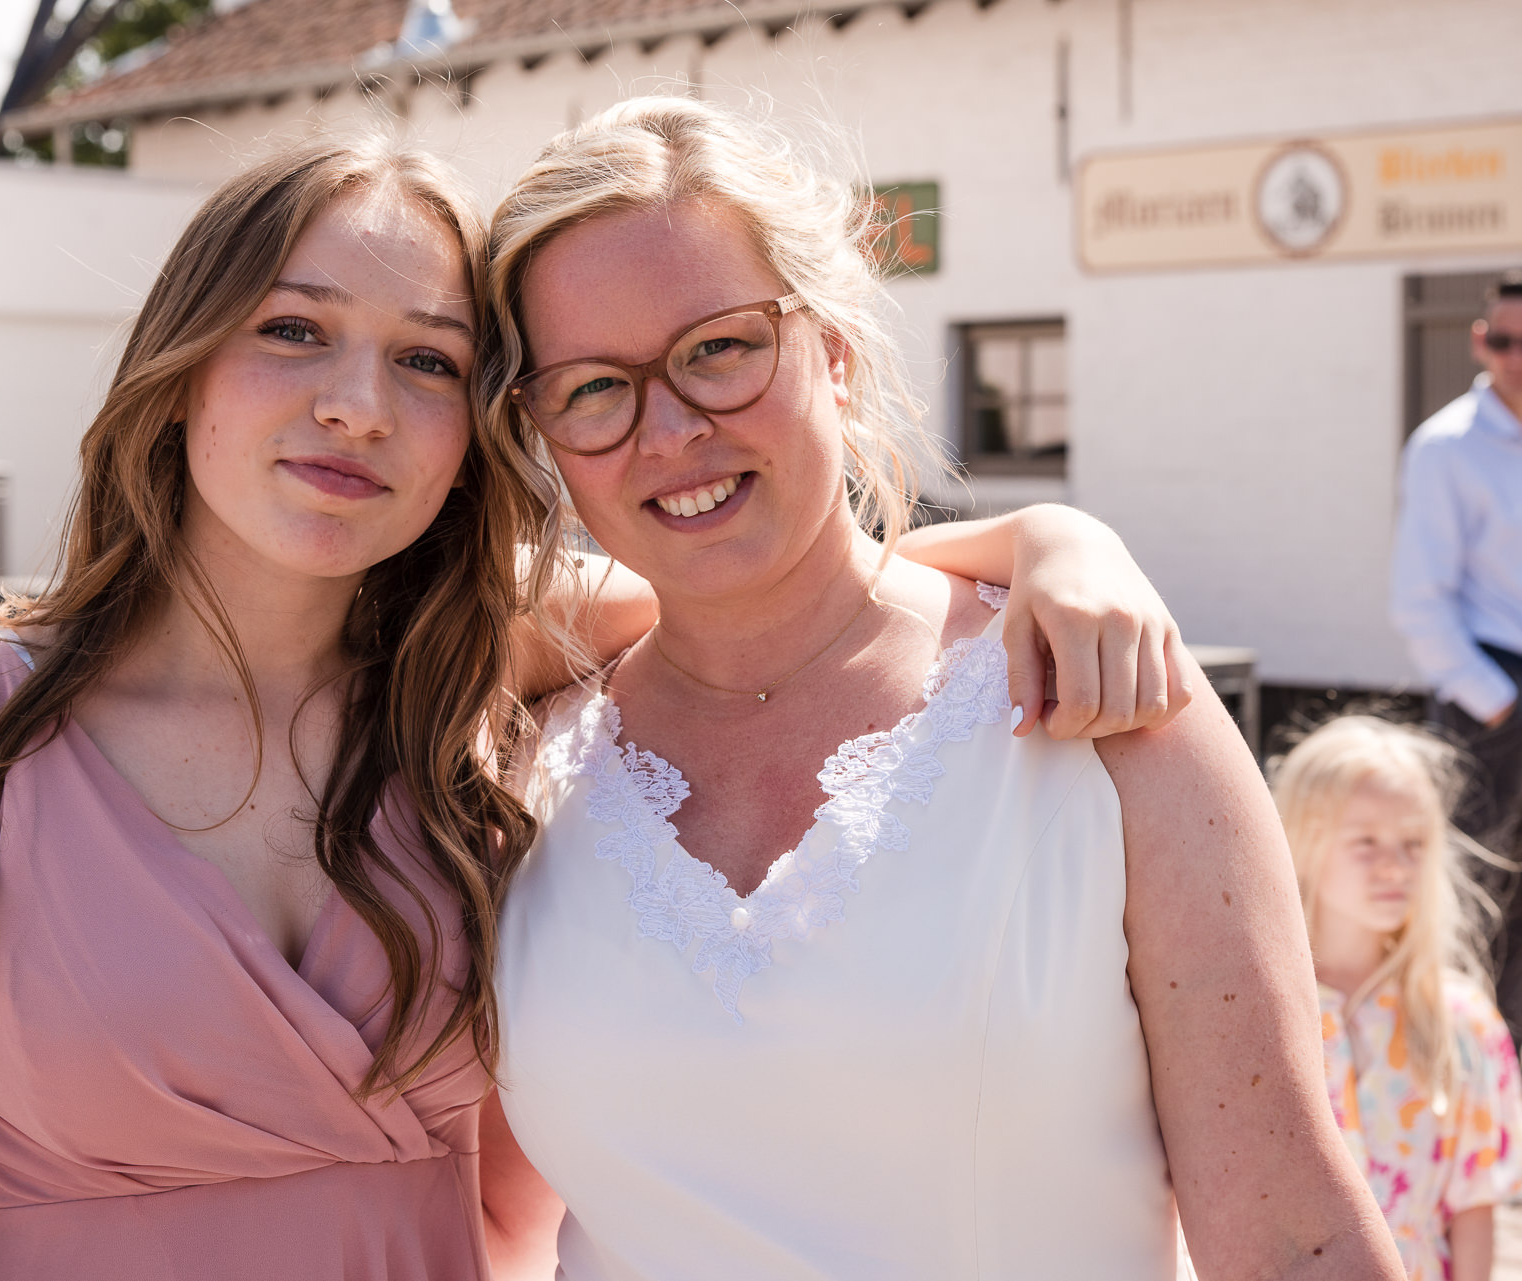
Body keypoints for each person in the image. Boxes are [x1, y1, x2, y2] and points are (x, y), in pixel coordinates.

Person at [0, 133, 1184, 1281]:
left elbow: (815, 584)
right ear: (181, 372)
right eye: (296, 331)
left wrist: (1052, 538)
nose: (358, 405)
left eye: (428, 361)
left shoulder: (480, 678)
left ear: (470, 439)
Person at [475, 97, 1403, 1280]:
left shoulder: (1102, 707)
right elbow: (497, 1224)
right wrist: (1044, 529)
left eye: (720, 347)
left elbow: (1290, 1235)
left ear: (837, 351)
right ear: (539, 431)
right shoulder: (513, 756)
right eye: (594, 387)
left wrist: (1053, 545)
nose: (670, 430)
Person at [1273, 716, 1522, 1281]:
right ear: (1302, 840)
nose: (1394, 866)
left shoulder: (1459, 1020)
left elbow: (1473, 1206)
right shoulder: (1263, 1012)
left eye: (1413, 843)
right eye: (1365, 841)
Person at [1391, 268, 1522, 1027]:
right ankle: (1474, 1060)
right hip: (1495, 696)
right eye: (1504, 340)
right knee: (1483, 896)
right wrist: (1499, 705)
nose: (1516, 356)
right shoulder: (1446, 448)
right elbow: (1418, 602)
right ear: (1481, 341)